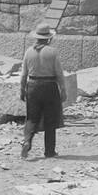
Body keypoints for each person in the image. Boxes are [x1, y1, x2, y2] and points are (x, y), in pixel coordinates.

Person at [19, 22, 67, 160]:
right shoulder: (52, 52)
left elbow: (23, 75)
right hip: (49, 86)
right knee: (50, 119)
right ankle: (49, 151)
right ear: (49, 38)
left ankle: (27, 140)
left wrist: (22, 90)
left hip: (32, 85)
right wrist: (63, 90)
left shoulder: (29, 52)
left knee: (32, 118)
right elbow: (59, 73)